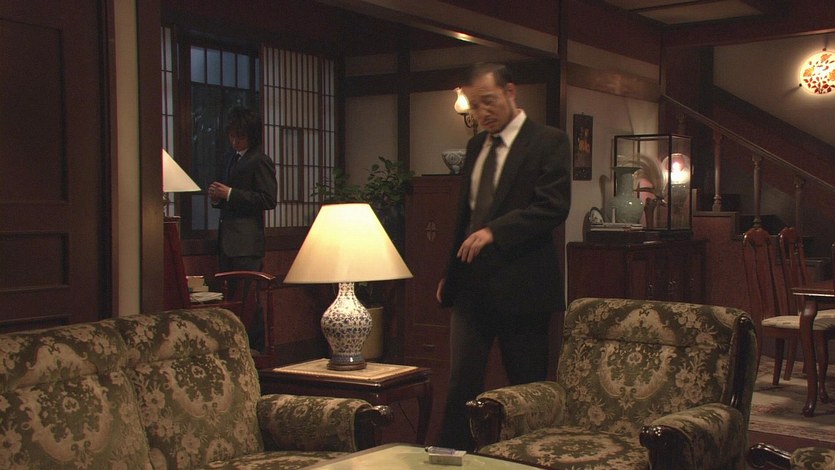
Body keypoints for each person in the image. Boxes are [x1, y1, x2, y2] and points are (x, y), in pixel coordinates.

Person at [435, 63, 571, 450]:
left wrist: (496, 231)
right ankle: (450, 456)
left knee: (526, 386)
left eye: (489, 102)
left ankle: (527, 456)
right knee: (461, 383)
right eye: (475, 106)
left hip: (523, 285)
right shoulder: (476, 145)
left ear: (511, 92)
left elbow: (553, 207)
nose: (482, 113)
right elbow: (465, 219)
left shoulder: (548, 141)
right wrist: (450, 274)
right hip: (472, 286)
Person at [208, 106, 277, 351]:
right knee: (230, 301)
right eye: (232, 136)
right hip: (227, 239)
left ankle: (256, 349)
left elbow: (268, 199)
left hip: (247, 242)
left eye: (240, 136)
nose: (235, 141)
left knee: (248, 299)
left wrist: (230, 194)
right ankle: (234, 348)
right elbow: (229, 199)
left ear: (251, 136)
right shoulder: (230, 159)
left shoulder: (260, 160)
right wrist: (218, 198)